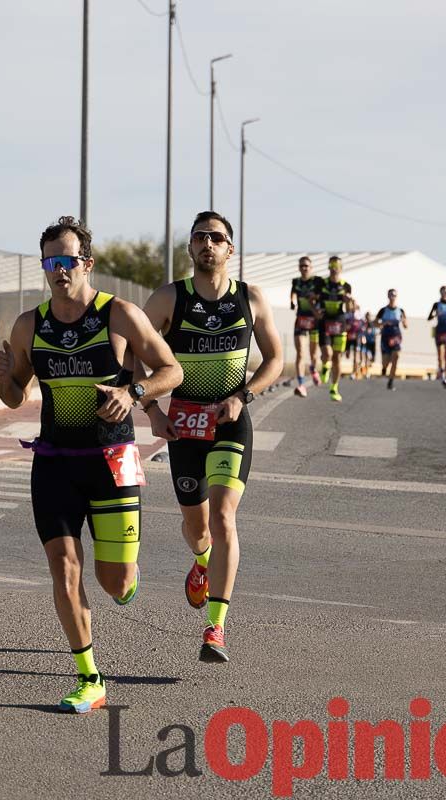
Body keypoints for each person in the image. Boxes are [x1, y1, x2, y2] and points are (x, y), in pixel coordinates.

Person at [0, 216, 183, 714]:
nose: (59, 270)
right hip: (55, 462)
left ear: (87, 264)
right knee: (64, 568)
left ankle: (127, 575)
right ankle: (89, 676)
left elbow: (171, 369)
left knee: (114, 581)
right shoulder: (29, 324)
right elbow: (15, 396)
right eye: (50, 262)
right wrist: (1, 378)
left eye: (67, 261)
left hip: (112, 459)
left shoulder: (119, 315)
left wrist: (133, 392)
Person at [139, 211, 283, 663]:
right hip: (183, 425)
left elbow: (275, 359)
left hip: (229, 421)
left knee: (223, 517)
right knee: (196, 526)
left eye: (216, 238)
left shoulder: (250, 298)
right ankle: (202, 562)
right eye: (200, 237)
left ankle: (215, 628)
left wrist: (244, 395)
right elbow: (126, 352)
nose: (208, 244)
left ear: (230, 249)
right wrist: (151, 410)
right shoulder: (168, 299)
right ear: (190, 248)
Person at [318, 256, 354, 401]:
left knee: (337, 358)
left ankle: (334, 387)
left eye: (336, 266)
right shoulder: (322, 283)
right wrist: (315, 311)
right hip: (325, 321)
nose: (334, 268)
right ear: (328, 267)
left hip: (340, 322)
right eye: (331, 265)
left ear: (341, 268)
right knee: (327, 352)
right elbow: (313, 299)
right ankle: (325, 366)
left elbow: (349, 308)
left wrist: (349, 301)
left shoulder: (346, 286)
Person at [289, 256, 324, 397]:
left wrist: (314, 299)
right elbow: (293, 293)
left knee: (314, 354)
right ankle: (301, 385)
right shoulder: (296, 281)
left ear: (311, 267)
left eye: (307, 266)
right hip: (301, 319)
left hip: (314, 320)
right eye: (302, 266)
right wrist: (292, 302)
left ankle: (313, 369)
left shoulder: (317, 281)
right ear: (299, 267)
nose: (304, 268)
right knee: (300, 353)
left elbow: (322, 295)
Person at [375, 289, 407, 390]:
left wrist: (403, 321)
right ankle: (384, 368)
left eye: (394, 295)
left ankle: (391, 381)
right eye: (391, 295)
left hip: (396, 337)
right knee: (386, 361)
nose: (392, 297)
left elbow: (406, 325)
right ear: (388, 296)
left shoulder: (400, 311)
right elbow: (375, 322)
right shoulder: (383, 310)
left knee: (396, 357)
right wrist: (383, 323)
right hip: (385, 337)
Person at [427, 285, 446, 388]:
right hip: (439, 330)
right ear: (440, 292)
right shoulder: (436, 304)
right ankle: (441, 373)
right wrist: (435, 314)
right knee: (440, 355)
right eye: (443, 291)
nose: (445, 293)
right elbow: (429, 317)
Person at [345, 306, 363, 380]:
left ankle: (354, 372)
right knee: (348, 355)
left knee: (356, 357)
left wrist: (362, 336)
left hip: (356, 337)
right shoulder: (347, 315)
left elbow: (362, 326)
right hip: (348, 337)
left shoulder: (359, 315)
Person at [360, 311, 377, 379]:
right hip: (366, 342)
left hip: (372, 342)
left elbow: (374, 332)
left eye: (369, 316)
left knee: (372, 358)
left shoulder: (372, 323)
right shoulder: (364, 323)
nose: (368, 317)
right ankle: (366, 372)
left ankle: (368, 367)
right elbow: (363, 332)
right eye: (367, 316)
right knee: (365, 356)